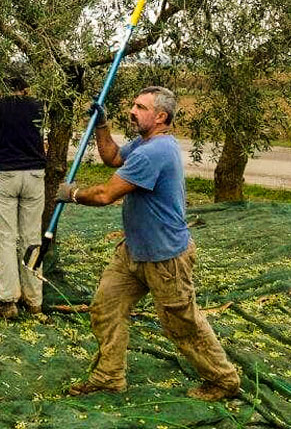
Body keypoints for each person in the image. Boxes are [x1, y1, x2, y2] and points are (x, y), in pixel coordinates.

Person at [54, 86, 241, 402]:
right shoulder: (144, 143)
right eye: (133, 106)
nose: (132, 111)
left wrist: (71, 194)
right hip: (133, 251)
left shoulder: (154, 153)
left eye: (140, 107)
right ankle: (108, 377)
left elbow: (105, 195)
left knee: (181, 324)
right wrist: (102, 124)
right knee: (106, 308)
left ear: (160, 116)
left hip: (164, 257)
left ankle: (223, 380)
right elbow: (112, 156)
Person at [0, 73, 47, 318]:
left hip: (6, 175)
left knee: (6, 237)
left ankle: (8, 300)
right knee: (32, 238)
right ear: (25, 87)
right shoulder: (37, 106)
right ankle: (34, 300)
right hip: (34, 174)